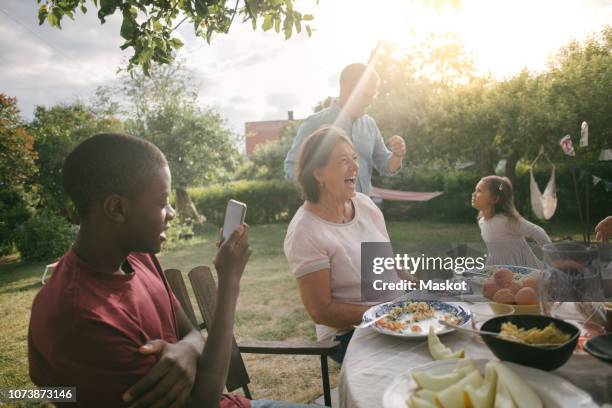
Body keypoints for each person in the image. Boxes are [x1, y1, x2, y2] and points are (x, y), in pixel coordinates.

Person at [28, 133, 316, 408]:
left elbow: (190, 332)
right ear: (117, 209)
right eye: (162, 201)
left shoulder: (137, 256)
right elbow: (202, 403)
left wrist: (187, 349)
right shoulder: (83, 317)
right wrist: (229, 281)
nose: (173, 212)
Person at [284, 126, 402, 363]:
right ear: (318, 173)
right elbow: (321, 311)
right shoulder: (305, 232)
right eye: (343, 161)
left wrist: (413, 285)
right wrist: (384, 314)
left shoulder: (365, 205)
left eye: (355, 159)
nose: (355, 167)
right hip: (348, 334)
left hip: (393, 313)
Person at [284, 63, 406, 196]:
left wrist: (397, 155)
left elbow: (386, 165)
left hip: (363, 211)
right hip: (327, 213)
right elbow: (292, 168)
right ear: (345, 88)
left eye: (373, 96)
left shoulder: (370, 125)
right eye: (365, 95)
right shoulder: (314, 124)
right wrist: (321, 196)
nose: (370, 101)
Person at [471, 175, 552, 268]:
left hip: (523, 269)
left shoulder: (507, 221)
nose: (473, 194)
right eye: (475, 190)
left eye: (479, 191)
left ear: (494, 199)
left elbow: (538, 232)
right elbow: (494, 252)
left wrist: (552, 258)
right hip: (500, 269)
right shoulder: (482, 222)